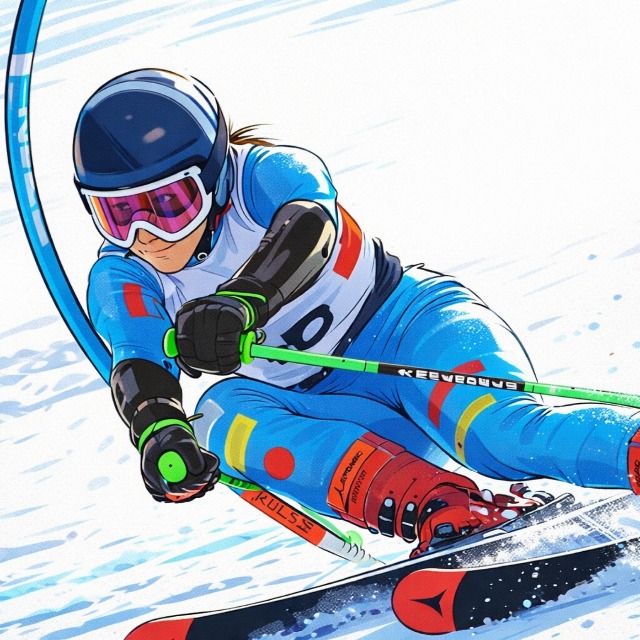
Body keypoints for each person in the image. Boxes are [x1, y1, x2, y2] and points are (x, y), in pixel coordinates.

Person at [73, 69, 640, 558]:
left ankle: (629, 451)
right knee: (219, 416)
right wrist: (160, 433)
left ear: (216, 175)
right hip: (334, 414)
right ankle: (445, 507)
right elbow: (138, 359)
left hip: (413, 336)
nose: (146, 235)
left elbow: (310, 228)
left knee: (499, 437)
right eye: (117, 215)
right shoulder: (123, 275)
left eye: (170, 205)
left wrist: (243, 299)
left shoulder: (266, 174)